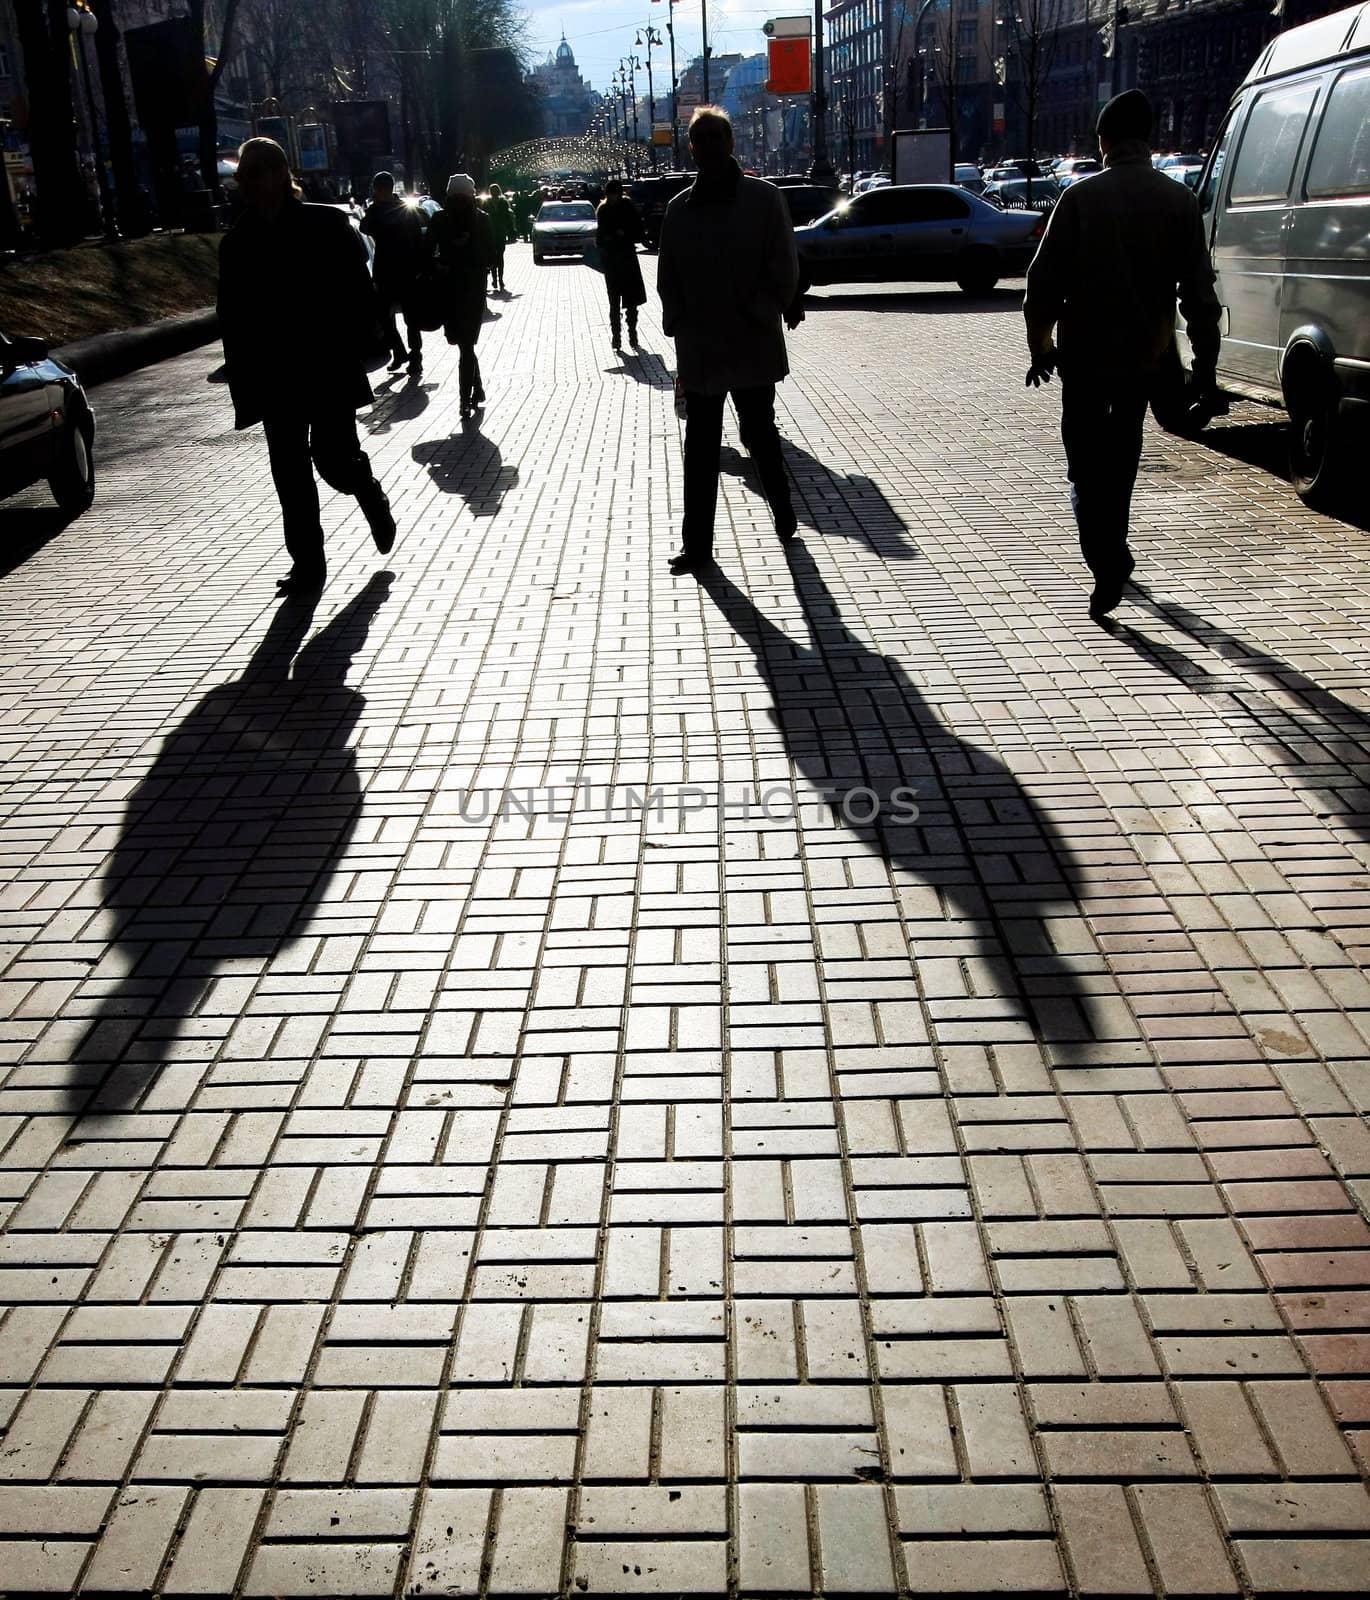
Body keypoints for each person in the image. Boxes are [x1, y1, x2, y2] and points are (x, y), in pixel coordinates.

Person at [1023, 88, 1221, 620]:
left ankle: (1107, 559)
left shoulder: (1080, 198)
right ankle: (1116, 544)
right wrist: (1204, 365)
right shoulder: (1178, 200)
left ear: (1104, 141)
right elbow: (1200, 295)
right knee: (1124, 456)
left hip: (1085, 360)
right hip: (1145, 359)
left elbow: (1042, 284)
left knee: (1084, 468)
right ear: (1148, 140)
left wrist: (1041, 346)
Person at [217, 137, 395, 600]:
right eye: (247, 176)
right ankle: (308, 565)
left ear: (281, 174)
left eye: (262, 172)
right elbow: (232, 315)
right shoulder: (237, 243)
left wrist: (362, 339)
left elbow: (360, 287)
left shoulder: (324, 222)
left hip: (327, 364)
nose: (254, 183)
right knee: (290, 473)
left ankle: (369, 493)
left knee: (334, 459)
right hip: (274, 375)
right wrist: (239, 373)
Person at [657, 106, 801, 576]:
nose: (708, 149)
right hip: (700, 347)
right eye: (700, 142)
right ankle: (696, 546)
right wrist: (677, 317)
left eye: (716, 139)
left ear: (731, 143)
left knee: (759, 433)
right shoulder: (679, 210)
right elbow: (668, 275)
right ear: (691, 149)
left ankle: (782, 508)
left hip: (751, 341)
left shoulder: (763, 199)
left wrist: (763, 309)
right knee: (700, 450)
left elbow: (783, 264)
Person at [428, 172, 495, 419]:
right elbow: (492, 255)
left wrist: (442, 262)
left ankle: (465, 399)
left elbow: (427, 252)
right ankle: (476, 388)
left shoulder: (444, 219)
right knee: (464, 345)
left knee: (464, 345)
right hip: (467, 291)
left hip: (455, 291)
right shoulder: (479, 219)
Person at [360, 170, 426, 376]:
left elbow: (418, 233)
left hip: (405, 271)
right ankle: (400, 352)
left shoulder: (402, 209)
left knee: (410, 317)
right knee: (383, 316)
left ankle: (414, 357)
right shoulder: (381, 209)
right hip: (387, 272)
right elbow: (364, 228)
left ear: (380, 189)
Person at [596, 179, 646, 350]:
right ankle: (616, 336)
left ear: (619, 193)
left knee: (631, 300)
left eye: (614, 194)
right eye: (609, 195)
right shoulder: (603, 210)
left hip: (627, 259)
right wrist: (609, 237)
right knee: (614, 301)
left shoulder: (627, 208)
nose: (611, 198)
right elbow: (599, 237)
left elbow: (639, 231)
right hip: (612, 261)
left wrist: (624, 233)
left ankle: (633, 333)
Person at [485, 183, 514, 291]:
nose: (493, 192)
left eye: (494, 190)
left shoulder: (503, 202)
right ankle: (495, 279)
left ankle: (499, 279)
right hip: (491, 233)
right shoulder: (487, 203)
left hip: (499, 233)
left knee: (499, 257)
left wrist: (511, 232)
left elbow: (507, 218)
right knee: (494, 257)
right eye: (492, 190)